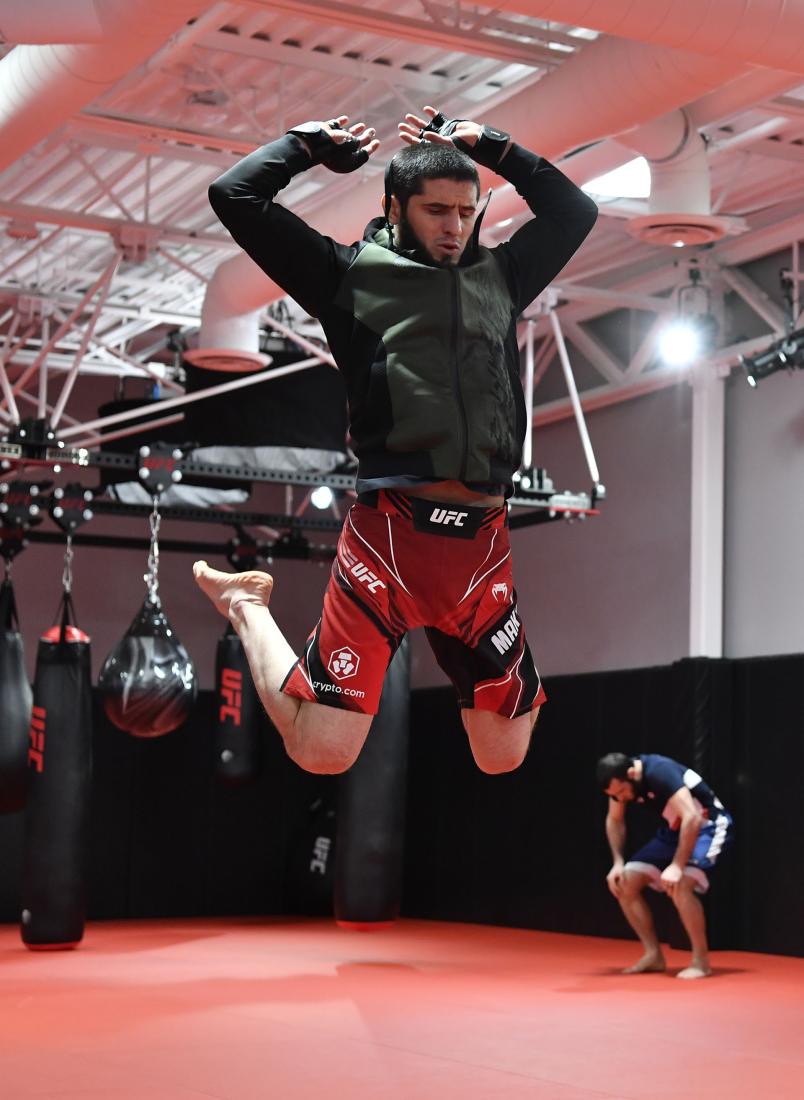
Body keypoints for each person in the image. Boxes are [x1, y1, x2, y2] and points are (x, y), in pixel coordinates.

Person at [194, 105, 597, 776]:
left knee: (503, 756)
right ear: (395, 204)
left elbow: (573, 211)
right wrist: (307, 146)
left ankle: (450, 636)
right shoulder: (349, 277)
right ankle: (246, 604)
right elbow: (234, 195)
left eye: (468, 212)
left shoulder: (503, 276)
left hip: (482, 549)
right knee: (321, 754)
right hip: (391, 541)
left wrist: (489, 143)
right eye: (437, 211)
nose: (455, 227)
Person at [597, 751, 733, 979]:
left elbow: (692, 817)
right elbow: (614, 819)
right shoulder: (622, 784)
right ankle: (653, 955)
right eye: (614, 796)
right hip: (676, 829)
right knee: (625, 882)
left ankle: (701, 961)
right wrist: (618, 862)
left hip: (708, 825)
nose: (620, 799)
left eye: (621, 792)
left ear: (631, 773)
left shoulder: (660, 771)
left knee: (681, 885)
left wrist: (678, 866)